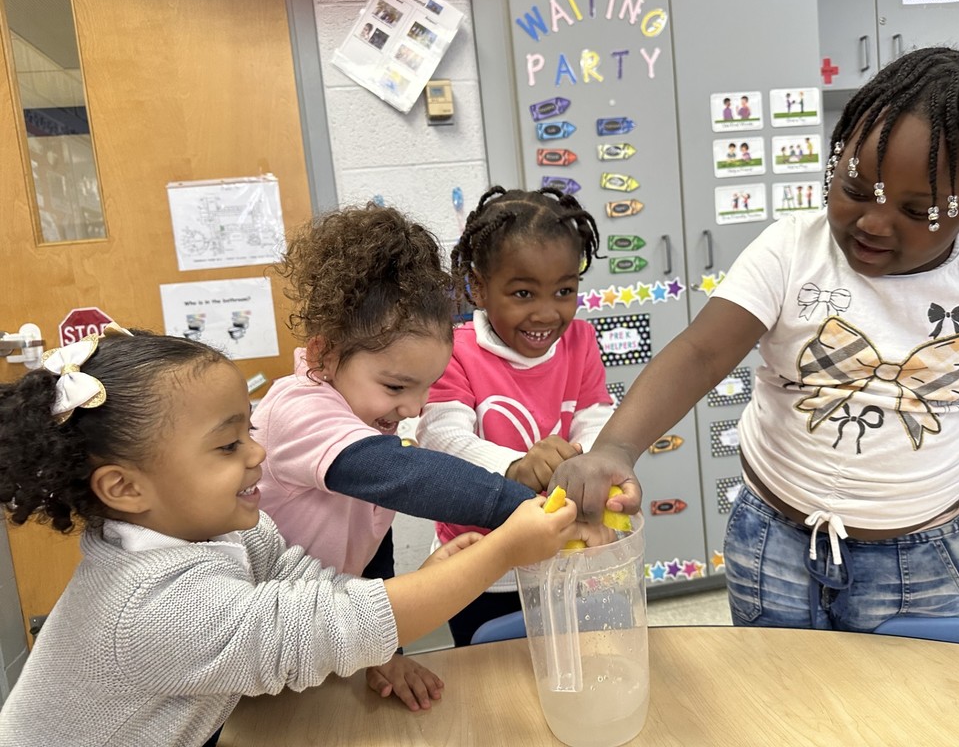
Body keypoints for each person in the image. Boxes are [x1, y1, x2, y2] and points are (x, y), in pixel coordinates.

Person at [551, 46, 959, 632]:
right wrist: (616, 448)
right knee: (776, 704)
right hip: (773, 538)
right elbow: (701, 353)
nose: (874, 222)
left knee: (905, 715)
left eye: (916, 209)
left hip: (920, 558)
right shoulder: (793, 249)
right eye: (854, 188)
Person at [0, 327, 590, 747]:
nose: (258, 452)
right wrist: (503, 550)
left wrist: (410, 609)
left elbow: (310, 588)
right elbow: (328, 629)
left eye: (249, 430)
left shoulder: (226, 531)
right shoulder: (149, 608)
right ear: (125, 489)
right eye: (229, 445)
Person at [251, 203, 589, 710]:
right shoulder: (298, 408)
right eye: (395, 386)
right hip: (260, 635)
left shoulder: (364, 417)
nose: (411, 408)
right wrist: (521, 505)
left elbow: (372, 545)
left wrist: (383, 649)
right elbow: (401, 476)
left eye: (426, 387)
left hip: (315, 633)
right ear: (324, 354)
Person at [416, 186, 614, 645]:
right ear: (480, 288)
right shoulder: (455, 350)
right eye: (523, 293)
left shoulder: (579, 341)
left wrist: (592, 462)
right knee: (493, 690)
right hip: (479, 567)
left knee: (565, 667)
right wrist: (516, 466)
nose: (547, 312)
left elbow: (596, 416)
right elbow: (441, 439)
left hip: (562, 557)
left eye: (564, 290)